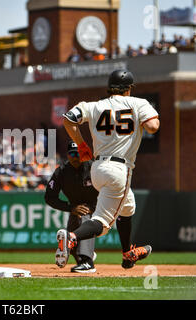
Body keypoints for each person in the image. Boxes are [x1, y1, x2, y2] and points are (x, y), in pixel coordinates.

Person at [58, 69, 160, 269]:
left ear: (109, 88)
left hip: (98, 167)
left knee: (128, 206)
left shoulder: (94, 105)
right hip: (119, 170)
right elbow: (153, 127)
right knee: (103, 224)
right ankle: (71, 237)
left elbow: (68, 119)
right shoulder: (138, 103)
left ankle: (127, 253)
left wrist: (81, 144)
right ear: (129, 89)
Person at [45, 141, 98, 273]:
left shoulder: (94, 168)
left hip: (99, 207)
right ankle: (84, 257)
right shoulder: (61, 172)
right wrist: (71, 208)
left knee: (84, 213)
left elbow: (106, 190)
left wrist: (95, 207)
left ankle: (87, 261)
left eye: (79, 153)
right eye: (72, 153)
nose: (76, 156)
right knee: (71, 240)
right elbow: (49, 197)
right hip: (76, 209)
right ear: (68, 155)